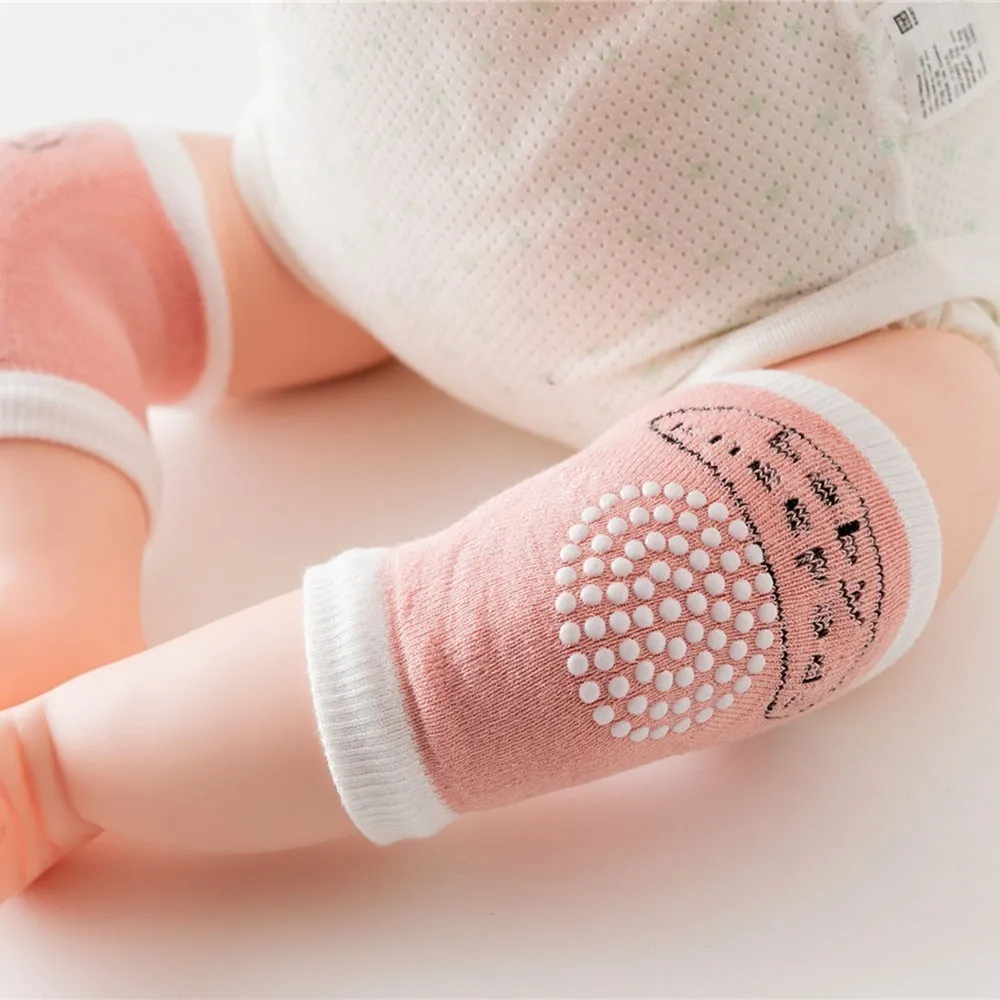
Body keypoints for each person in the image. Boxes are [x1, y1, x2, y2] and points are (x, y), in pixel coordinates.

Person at [3, 1, 1000, 899]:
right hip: (333, 213)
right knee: (35, 209)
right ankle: (39, 594)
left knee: (750, 554)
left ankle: (52, 770)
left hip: (833, 310)